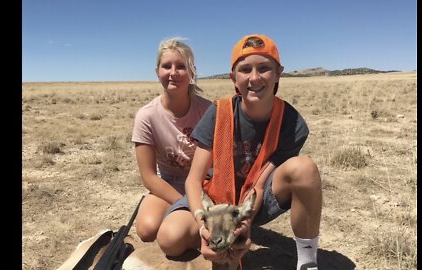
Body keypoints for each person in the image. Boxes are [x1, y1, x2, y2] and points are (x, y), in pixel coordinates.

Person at [156, 34, 322, 270]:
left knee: (304, 168)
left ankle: (308, 262)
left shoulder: (291, 122)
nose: (255, 78)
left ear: (278, 73)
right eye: (245, 70)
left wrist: (244, 222)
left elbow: (261, 185)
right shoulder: (219, 112)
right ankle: (215, 240)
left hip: (255, 201)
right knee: (169, 239)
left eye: (264, 68)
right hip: (214, 202)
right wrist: (204, 226)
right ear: (233, 77)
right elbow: (194, 179)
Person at [131, 37, 212, 243]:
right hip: (168, 183)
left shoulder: (208, 111)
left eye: (181, 67)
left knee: (172, 236)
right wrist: (186, 203)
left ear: (192, 72)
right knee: (146, 230)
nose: (173, 73)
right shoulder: (146, 116)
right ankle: (186, 223)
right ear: (158, 71)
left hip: (205, 183)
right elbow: (149, 177)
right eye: (166, 66)